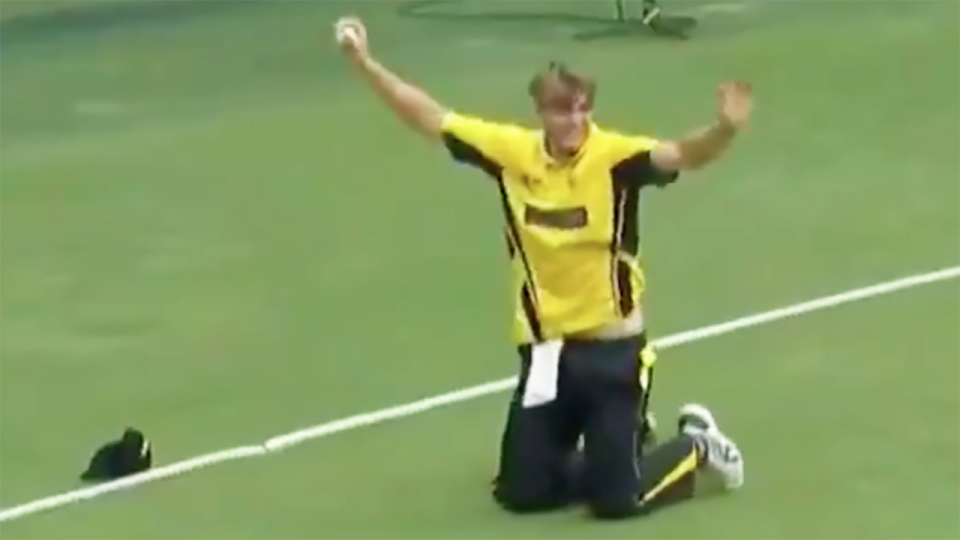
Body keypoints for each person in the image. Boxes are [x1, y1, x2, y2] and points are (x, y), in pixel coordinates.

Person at [333, 16, 751, 519]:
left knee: (618, 502)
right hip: (548, 356)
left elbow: (684, 154)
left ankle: (696, 446)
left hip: (613, 354)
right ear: (541, 112)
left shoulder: (615, 158)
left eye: (582, 109)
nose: (575, 120)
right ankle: (624, 447)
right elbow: (429, 117)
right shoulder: (512, 154)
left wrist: (724, 129)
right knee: (520, 493)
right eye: (562, 110)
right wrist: (364, 63)